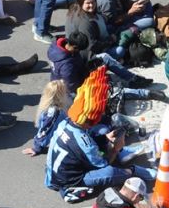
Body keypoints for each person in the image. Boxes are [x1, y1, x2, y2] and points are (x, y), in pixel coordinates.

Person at [44, 68, 154, 200]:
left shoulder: (65, 123)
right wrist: (115, 149)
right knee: (111, 172)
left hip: (55, 174)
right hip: (70, 180)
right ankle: (133, 170)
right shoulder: (84, 143)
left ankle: (121, 153)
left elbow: (84, 140)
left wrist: (105, 138)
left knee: (100, 135)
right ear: (91, 119)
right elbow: (104, 164)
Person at [48, 32, 160, 101]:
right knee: (107, 88)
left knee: (103, 57)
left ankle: (133, 78)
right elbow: (74, 86)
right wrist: (93, 77)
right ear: (75, 47)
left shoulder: (60, 46)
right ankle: (145, 94)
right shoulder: (66, 67)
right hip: (71, 90)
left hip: (78, 73)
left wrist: (89, 67)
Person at [23, 80, 71, 156]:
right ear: (60, 95)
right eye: (65, 91)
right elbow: (46, 130)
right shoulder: (53, 112)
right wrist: (37, 148)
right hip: (64, 141)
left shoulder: (50, 105)